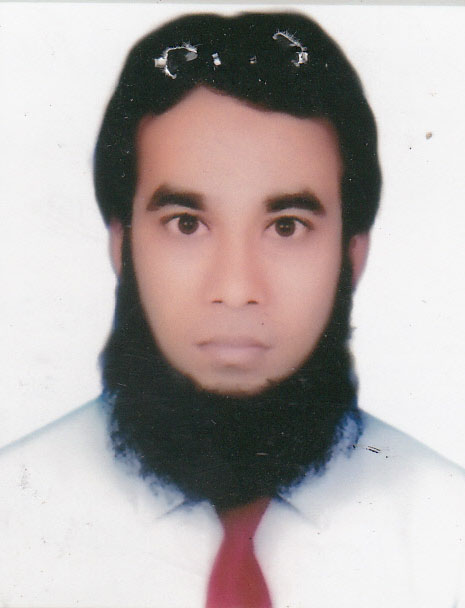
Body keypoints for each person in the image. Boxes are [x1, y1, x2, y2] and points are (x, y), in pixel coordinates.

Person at [1, 11, 464, 607]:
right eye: (186, 224)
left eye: (287, 227)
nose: (238, 288)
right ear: (122, 246)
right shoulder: (14, 519)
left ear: (352, 255)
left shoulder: (447, 534)